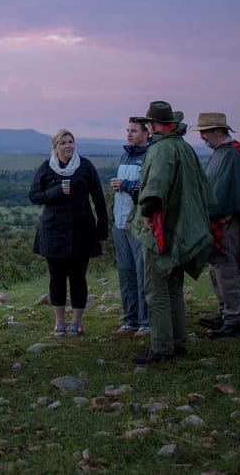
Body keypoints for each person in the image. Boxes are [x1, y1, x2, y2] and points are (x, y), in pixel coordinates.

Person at [129, 100, 215, 365]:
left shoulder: (161, 151)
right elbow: (205, 192)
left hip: (161, 231)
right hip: (183, 231)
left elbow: (154, 190)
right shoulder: (185, 148)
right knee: (175, 289)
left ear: (153, 126)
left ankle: (162, 347)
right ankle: (178, 344)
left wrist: (145, 217)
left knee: (156, 291)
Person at [29, 129, 108, 336]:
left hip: (82, 230)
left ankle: (77, 322)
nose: (68, 146)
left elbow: (98, 198)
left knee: (78, 277)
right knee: (56, 278)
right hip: (53, 231)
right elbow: (34, 196)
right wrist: (55, 192)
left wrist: (102, 224)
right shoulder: (47, 168)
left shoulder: (85, 166)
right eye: (63, 143)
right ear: (55, 146)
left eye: (71, 142)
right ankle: (59, 322)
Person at [194, 112, 240, 339]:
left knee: (227, 270)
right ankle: (225, 314)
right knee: (217, 270)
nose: (203, 137)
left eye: (205, 132)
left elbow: (225, 194)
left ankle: (235, 320)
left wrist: (216, 215)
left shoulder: (230, 155)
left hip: (226, 224)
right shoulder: (221, 154)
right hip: (218, 223)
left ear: (218, 131)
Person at [110, 117, 152, 336]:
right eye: (127, 130)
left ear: (146, 133)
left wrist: (125, 185)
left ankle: (146, 322)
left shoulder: (150, 155)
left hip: (138, 224)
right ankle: (130, 320)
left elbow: (150, 188)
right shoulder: (126, 154)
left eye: (134, 131)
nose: (129, 134)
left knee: (142, 272)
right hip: (119, 222)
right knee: (126, 272)